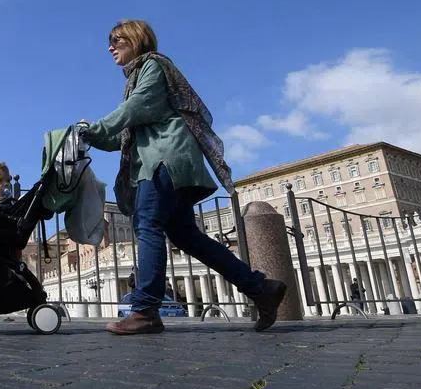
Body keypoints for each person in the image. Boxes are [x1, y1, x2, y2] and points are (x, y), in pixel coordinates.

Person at [81, 19, 287, 335]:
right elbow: (123, 132)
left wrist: (94, 128)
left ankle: (146, 310)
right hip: (162, 159)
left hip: (164, 159)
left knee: (148, 224)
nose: (110, 47)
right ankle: (261, 288)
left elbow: (136, 108)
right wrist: (90, 135)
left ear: (135, 39)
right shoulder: (137, 77)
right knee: (186, 236)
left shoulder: (153, 65)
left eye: (116, 40)